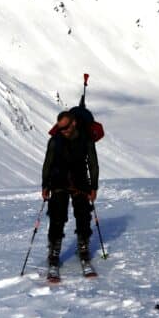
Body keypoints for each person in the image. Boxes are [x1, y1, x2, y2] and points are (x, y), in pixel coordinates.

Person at [41, 108, 99, 277]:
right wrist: (45, 185)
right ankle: (54, 254)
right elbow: (47, 163)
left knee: (83, 215)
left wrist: (93, 187)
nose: (63, 131)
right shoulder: (55, 140)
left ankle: (83, 249)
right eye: (60, 128)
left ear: (73, 123)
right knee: (57, 217)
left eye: (65, 127)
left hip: (80, 183)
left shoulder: (86, 139)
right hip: (58, 182)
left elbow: (93, 164)